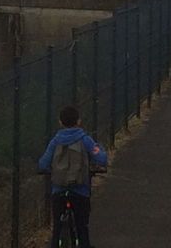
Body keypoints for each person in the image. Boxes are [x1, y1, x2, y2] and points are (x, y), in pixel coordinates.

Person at [38, 106, 108, 248]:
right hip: (80, 190)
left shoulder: (55, 141)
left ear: (60, 122)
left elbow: (43, 163)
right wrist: (100, 149)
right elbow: (101, 158)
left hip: (58, 190)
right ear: (79, 121)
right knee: (82, 226)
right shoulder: (85, 140)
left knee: (57, 226)